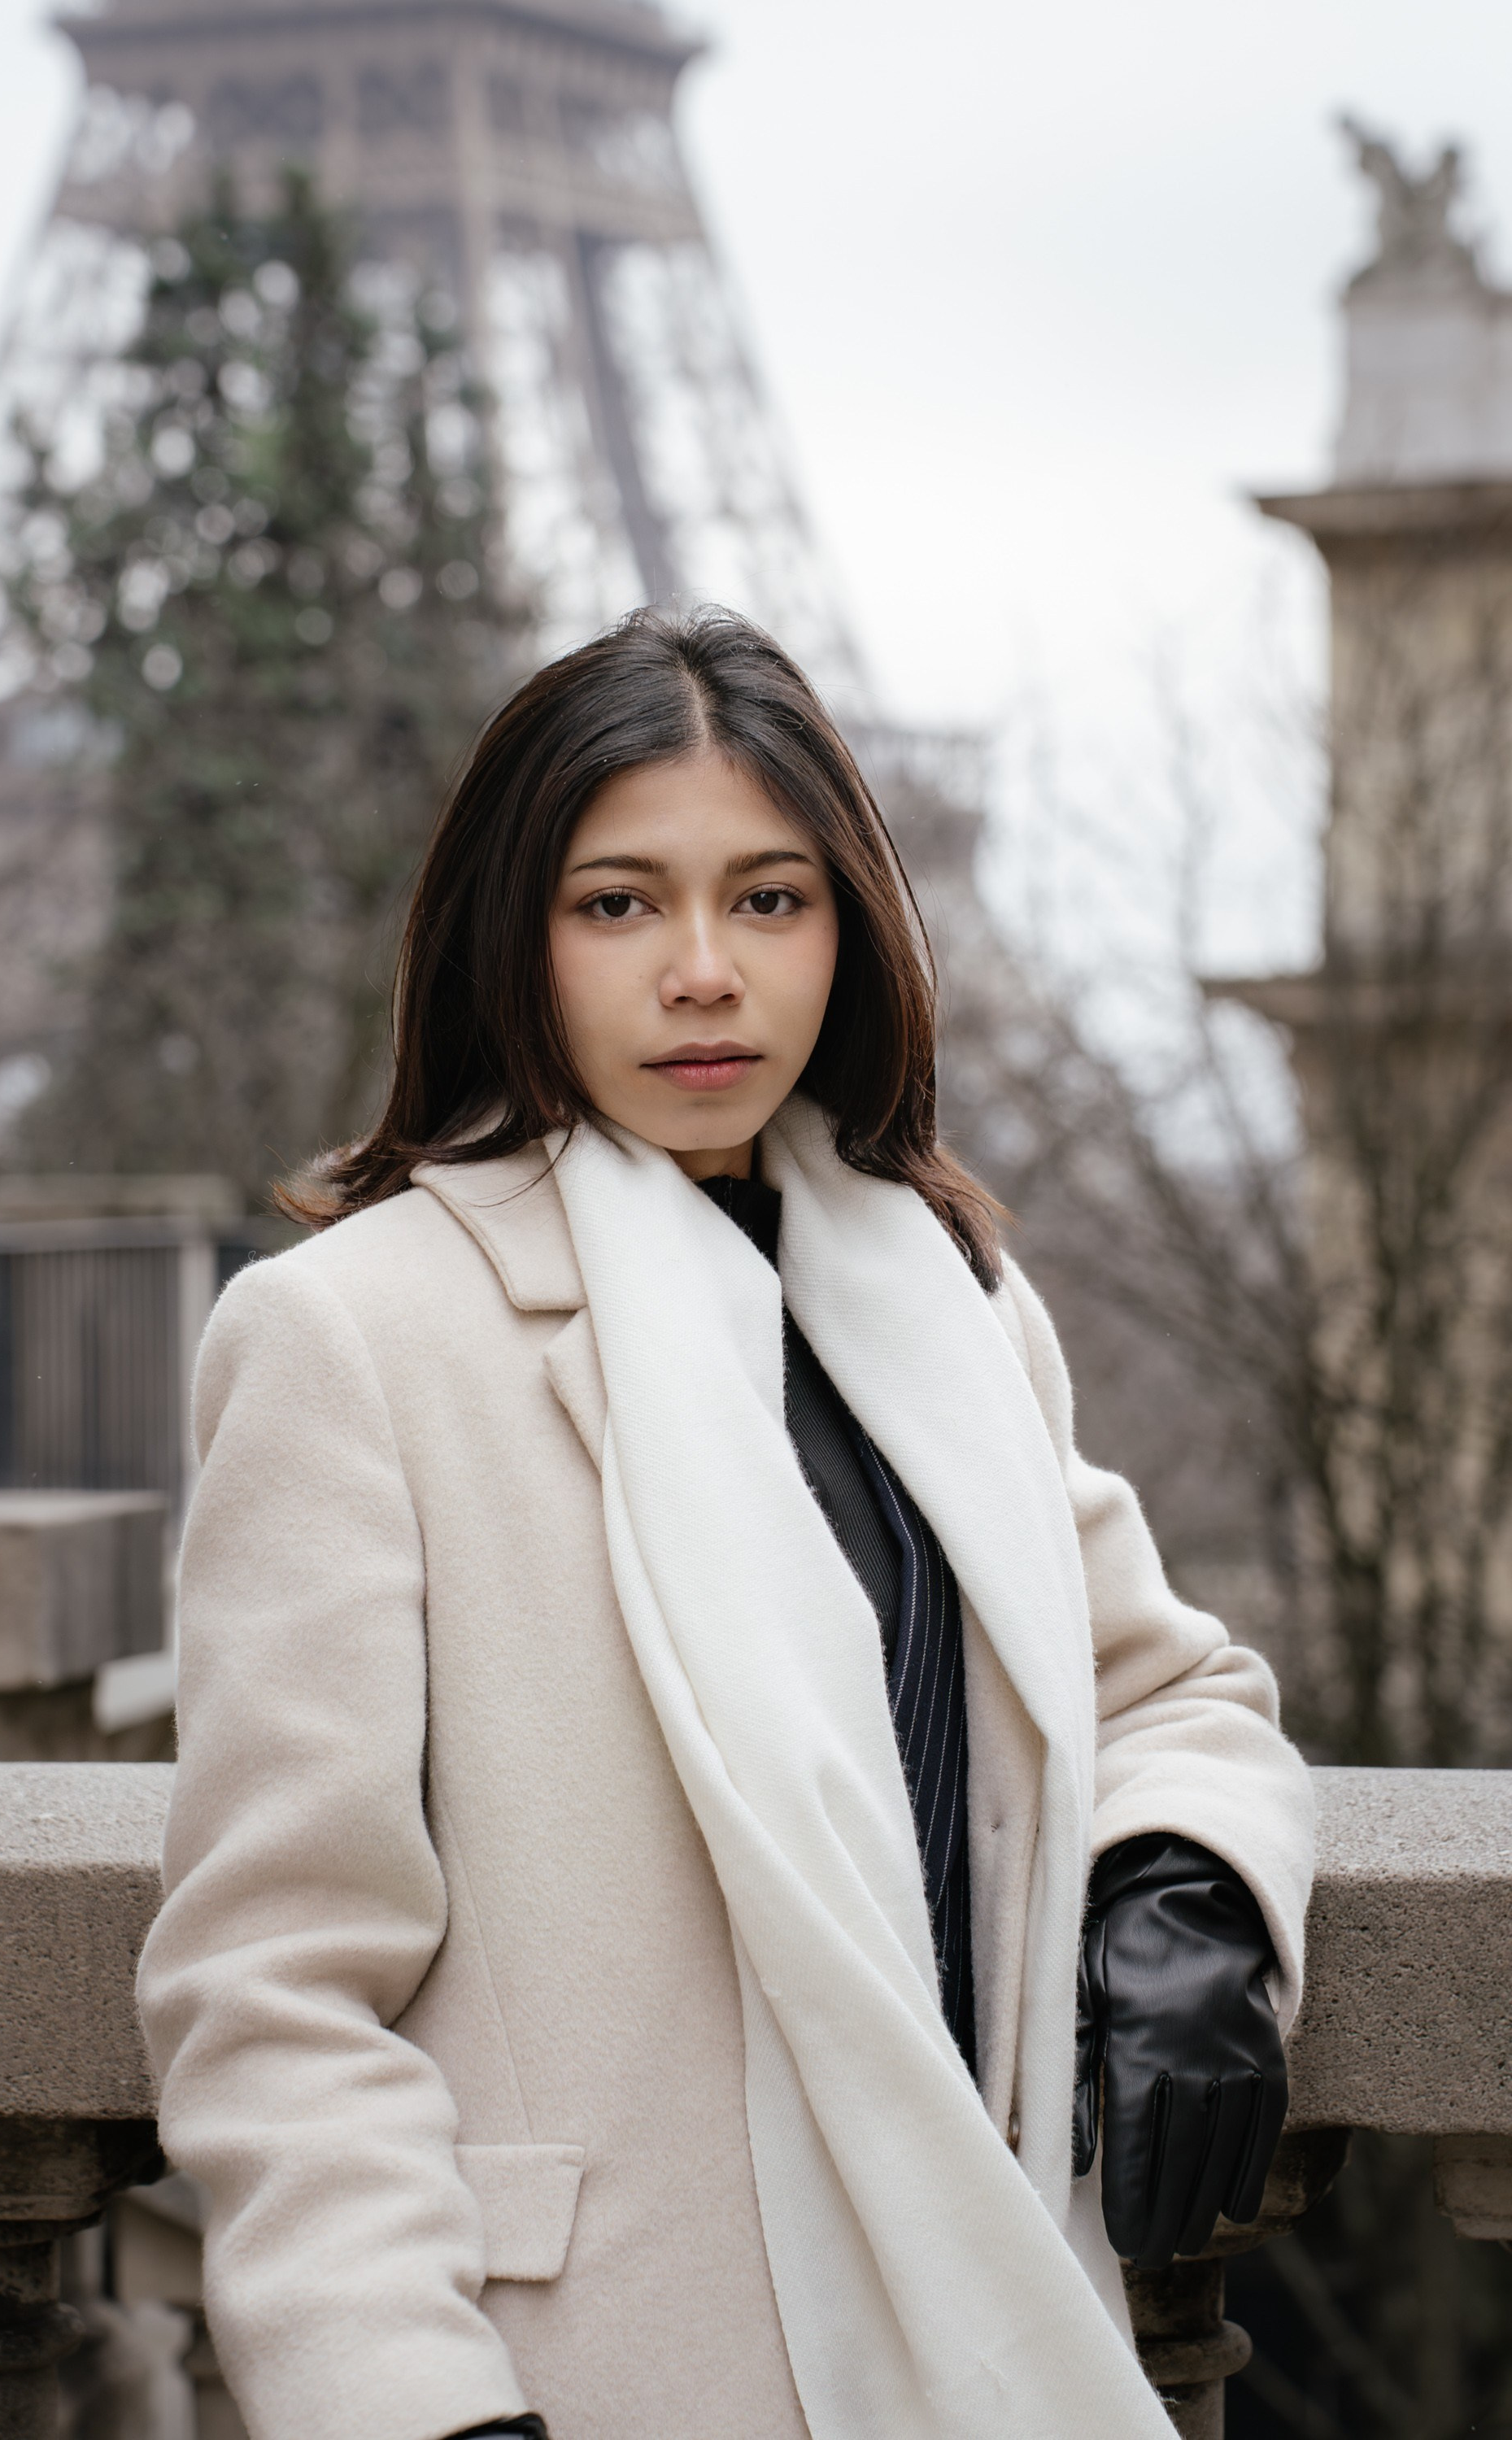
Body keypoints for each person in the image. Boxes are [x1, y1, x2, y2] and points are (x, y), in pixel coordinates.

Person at [138, 608, 1315, 2440]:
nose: (705, 972)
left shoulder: (948, 1306)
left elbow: (1163, 1692)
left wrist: (1183, 1892)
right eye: (619, 904)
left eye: (770, 899)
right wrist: (418, 2407)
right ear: (513, 938)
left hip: (983, 2327)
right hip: (593, 2370)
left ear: (851, 932)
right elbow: (275, 1984)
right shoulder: (355, 1337)